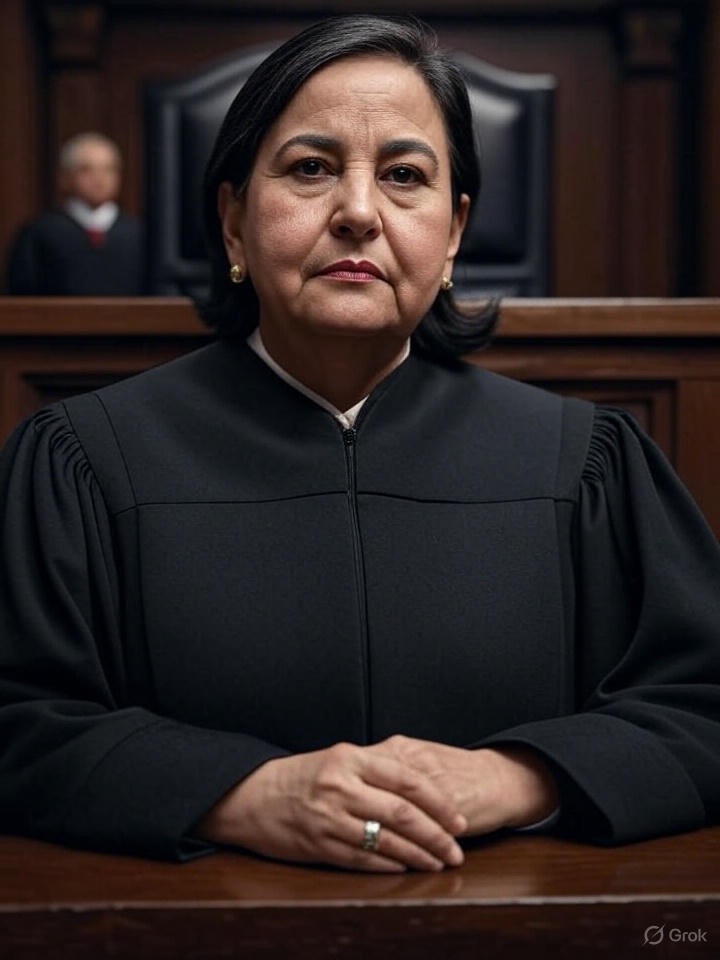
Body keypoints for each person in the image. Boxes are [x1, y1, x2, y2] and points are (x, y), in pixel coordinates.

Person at [0, 15, 719, 874]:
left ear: (454, 232)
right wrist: (244, 792)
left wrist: (513, 777)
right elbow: (21, 721)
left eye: (404, 175)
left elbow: (700, 707)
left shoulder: (583, 461)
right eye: (310, 168)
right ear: (233, 221)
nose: (358, 212)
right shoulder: (85, 459)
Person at [5, 132, 145, 295]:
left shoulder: (140, 234)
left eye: (108, 169)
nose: (99, 179)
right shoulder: (40, 233)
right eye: (86, 170)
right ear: (64, 177)